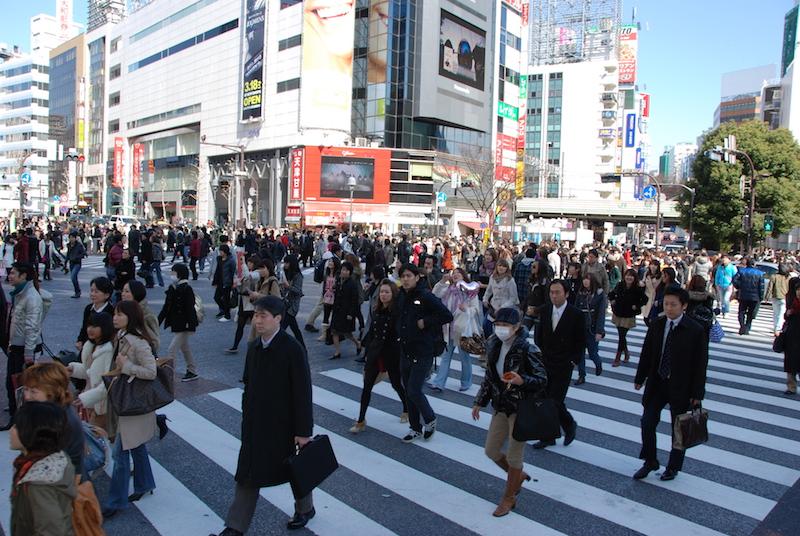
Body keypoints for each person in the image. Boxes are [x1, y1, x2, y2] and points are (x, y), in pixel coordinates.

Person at [211, 297, 314, 536]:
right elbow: (248, 383)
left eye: (263, 315)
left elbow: (302, 392)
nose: (257, 320)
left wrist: (303, 432)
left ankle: (305, 508)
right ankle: (235, 527)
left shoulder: (292, 349)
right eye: (256, 315)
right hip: (256, 424)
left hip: (283, 425)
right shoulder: (255, 347)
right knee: (248, 474)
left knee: (293, 468)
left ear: (278, 319)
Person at [472, 307, 547, 517]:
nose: (501, 329)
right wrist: (479, 401)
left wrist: (522, 380)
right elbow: (489, 378)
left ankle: (509, 497)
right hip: (501, 406)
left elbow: (542, 380)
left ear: (516, 327)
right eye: (498, 325)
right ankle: (517, 477)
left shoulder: (527, 349)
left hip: (520, 408)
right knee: (491, 450)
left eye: (505, 326)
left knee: (515, 456)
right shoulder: (494, 343)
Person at [633, 286, 708, 481]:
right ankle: (650, 460)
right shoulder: (657, 324)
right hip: (657, 382)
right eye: (666, 304)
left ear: (684, 306)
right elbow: (647, 353)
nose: (669, 308)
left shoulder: (695, 330)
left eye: (673, 304)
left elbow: (700, 364)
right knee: (647, 422)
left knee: (678, 429)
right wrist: (640, 378)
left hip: (681, 386)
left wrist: (697, 394)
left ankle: (673, 466)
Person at [103, 300, 159, 518]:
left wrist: (127, 367)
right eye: (114, 314)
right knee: (134, 445)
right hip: (127, 403)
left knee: (121, 454)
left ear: (130, 317)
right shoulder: (121, 337)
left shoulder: (138, 342)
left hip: (134, 404)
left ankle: (116, 501)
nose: (114, 318)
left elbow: (151, 371)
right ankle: (145, 483)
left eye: (119, 314)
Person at [395, 263, 453, 443]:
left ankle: (430, 419)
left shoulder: (426, 295)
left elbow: (447, 315)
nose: (405, 279)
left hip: (423, 350)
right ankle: (415, 428)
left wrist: (426, 322)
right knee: (408, 391)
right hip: (405, 349)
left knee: (413, 389)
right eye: (403, 276)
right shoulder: (401, 295)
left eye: (408, 276)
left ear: (417, 277)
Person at [349, 279, 408, 433]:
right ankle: (361, 420)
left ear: (393, 294)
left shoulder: (397, 311)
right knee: (366, 387)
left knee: (396, 384)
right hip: (375, 354)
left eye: (387, 292)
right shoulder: (376, 310)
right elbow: (373, 333)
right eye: (382, 292)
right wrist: (365, 348)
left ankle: (406, 408)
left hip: (391, 354)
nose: (383, 295)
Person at [9, 401, 77, 535]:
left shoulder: (39, 484)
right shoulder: (54, 459)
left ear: (32, 433)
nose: (11, 430)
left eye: (16, 426)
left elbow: (50, 531)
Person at [533, 280, 584, 449]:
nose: (554, 296)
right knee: (544, 398)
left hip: (564, 363)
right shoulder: (545, 310)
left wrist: (573, 360)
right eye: (551, 292)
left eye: (557, 292)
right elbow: (539, 335)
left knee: (555, 400)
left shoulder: (576, 314)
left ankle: (568, 425)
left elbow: (580, 341)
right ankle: (550, 435)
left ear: (567, 294)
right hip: (546, 360)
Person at [19, 362, 86, 479]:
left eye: (33, 391)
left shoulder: (61, 422)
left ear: (53, 392)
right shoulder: (49, 412)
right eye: (26, 389)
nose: (27, 396)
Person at [3, 262, 44, 427]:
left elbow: (32, 327)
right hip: (16, 347)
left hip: (25, 350)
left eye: (13, 273)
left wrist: (28, 354)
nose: (10, 276)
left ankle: (20, 420)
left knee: (20, 385)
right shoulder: (19, 293)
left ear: (24, 276)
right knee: (13, 383)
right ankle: (17, 416)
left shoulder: (31, 297)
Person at [429, 269, 481, 392]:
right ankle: (439, 383)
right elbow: (435, 294)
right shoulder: (448, 289)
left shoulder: (470, 291)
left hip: (462, 329)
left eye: (459, 272)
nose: (456, 274)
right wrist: (442, 281)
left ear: (464, 275)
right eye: (454, 273)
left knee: (464, 358)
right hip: (448, 328)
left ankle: (466, 382)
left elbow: (476, 309)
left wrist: (466, 309)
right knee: (446, 356)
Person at [68, 312, 115, 430]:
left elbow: (108, 381)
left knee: (98, 439)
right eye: (89, 326)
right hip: (91, 400)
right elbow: (90, 371)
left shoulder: (108, 351)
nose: (90, 329)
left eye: (95, 326)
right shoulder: (91, 346)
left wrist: (87, 398)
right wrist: (73, 369)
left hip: (102, 404)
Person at [158, 263, 200, 382]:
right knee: (185, 348)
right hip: (177, 324)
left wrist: (191, 325)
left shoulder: (187, 289)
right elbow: (166, 307)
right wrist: (157, 322)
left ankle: (169, 376)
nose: (172, 275)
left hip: (185, 325)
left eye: (174, 273)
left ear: (180, 275)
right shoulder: (173, 288)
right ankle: (192, 371)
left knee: (172, 349)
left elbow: (190, 309)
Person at [608, 268, 647, 366]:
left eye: (631, 276)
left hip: (628, 315)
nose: (629, 277)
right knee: (622, 336)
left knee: (622, 335)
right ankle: (626, 353)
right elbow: (611, 294)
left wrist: (637, 306)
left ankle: (617, 358)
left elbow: (645, 299)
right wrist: (612, 300)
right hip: (618, 313)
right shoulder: (620, 285)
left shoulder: (637, 288)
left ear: (635, 278)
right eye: (627, 275)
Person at [574, 274, 607, 385]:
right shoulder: (580, 293)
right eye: (584, 279)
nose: (585, 282)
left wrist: (599, 331)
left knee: (592, 353)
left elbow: (601, 314)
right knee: (580, 353)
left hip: (592, 327)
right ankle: (581, 375)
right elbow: (576, 308)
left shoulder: (599, 294)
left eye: (587, 279)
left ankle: (598, 364)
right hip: (580, 327)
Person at [226, 256, 260, 354]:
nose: (248, 264)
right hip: (243, 303)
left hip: (252, 304)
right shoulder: (249, 272)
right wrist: (237, 283)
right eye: (248, 262)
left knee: (256, 327)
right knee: (240, 326)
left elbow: (248, 276)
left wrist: (243, 263)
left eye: (250, 262)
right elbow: (242, 280)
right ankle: (235, 346)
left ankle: (259, 345)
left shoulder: (256, 273)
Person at [329, 261, 362, 359]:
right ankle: (337, 352)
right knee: (334, 331)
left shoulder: (352, 284)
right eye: (342, 270)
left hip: (346, 312)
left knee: (347, 333)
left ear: (350, 272)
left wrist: (351, 314)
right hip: (337, 310)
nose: (343, 272)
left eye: (346, 270)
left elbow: (354, 300)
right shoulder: (339, 281)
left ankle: (358, 344)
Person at [75, 277, 115, 353]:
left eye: (96, 292)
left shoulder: (111, 311)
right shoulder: (88, 308)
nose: (92, 294)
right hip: (87, 346)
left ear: (106, 295)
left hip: (102, 348)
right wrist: (80, 340)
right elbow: (84, 327)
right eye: (91, 291)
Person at [482, 258, 519, 337]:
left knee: (500, 332)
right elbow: (488, 291)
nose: (501, 268)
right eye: (500, 266)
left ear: (507, 268)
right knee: (485, 325)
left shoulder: (510, 280)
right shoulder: (492, 277)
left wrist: (502, 307)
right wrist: (485, 299)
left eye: (504, 266)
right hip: (493, 307)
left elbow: (513, 298)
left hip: (505, 309)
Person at [122, 280, 161, 354]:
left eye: (127, 292)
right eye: (123, 291)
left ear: (136, 293)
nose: (123, 294)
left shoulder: (146, 315)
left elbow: (155, 343)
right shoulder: (124, 312)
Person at [732, 257, 764, 335]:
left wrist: (739, 286)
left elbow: (734, 280)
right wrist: (761, 296)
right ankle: (747, 327)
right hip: (755, 296)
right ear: (754, 264)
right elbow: (761, 287)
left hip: (743, 294)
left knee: (741, 311)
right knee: (750, 313)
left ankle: (742, 326)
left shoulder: (742, 271)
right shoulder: (760, 273)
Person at [280, 254, 306, 349]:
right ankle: (302, 347)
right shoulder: (285, 273)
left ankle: (279, 346)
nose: (285, 265)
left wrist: (288, 286)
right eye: (284, 262)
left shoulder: (298, 276)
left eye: (287, 263)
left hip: (292, 306)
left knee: (281, 328)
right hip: (285, 304)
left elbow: (298, 291)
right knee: (295, 328)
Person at [781, 279, 800, 395]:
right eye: (797, 290)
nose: (799, 292)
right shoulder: (793, 302)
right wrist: (788, 314)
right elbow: (786, 317)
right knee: (791, 362)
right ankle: (791, 386)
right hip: (792, 336)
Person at [765, 263, 791, 336]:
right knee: (781, 314)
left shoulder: (774, 276)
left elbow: (770, 288)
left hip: (775, 297)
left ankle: (776, 328)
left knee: (776, 313)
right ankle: (778, 329)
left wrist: (767, 296)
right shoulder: (788, 277)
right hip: (785, 297)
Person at [212, 244, 236, 322]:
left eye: (221, 251)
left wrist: (233, 283)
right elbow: (217, 271)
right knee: (216, 297)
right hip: (220, 281)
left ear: (225, 252)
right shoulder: (219, 259)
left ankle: (227, 314)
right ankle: (225, 309)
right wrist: (214, 281)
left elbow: (233, 272)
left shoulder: (231, 260)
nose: (220, 253)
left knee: (226, 299)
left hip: (227, 282)